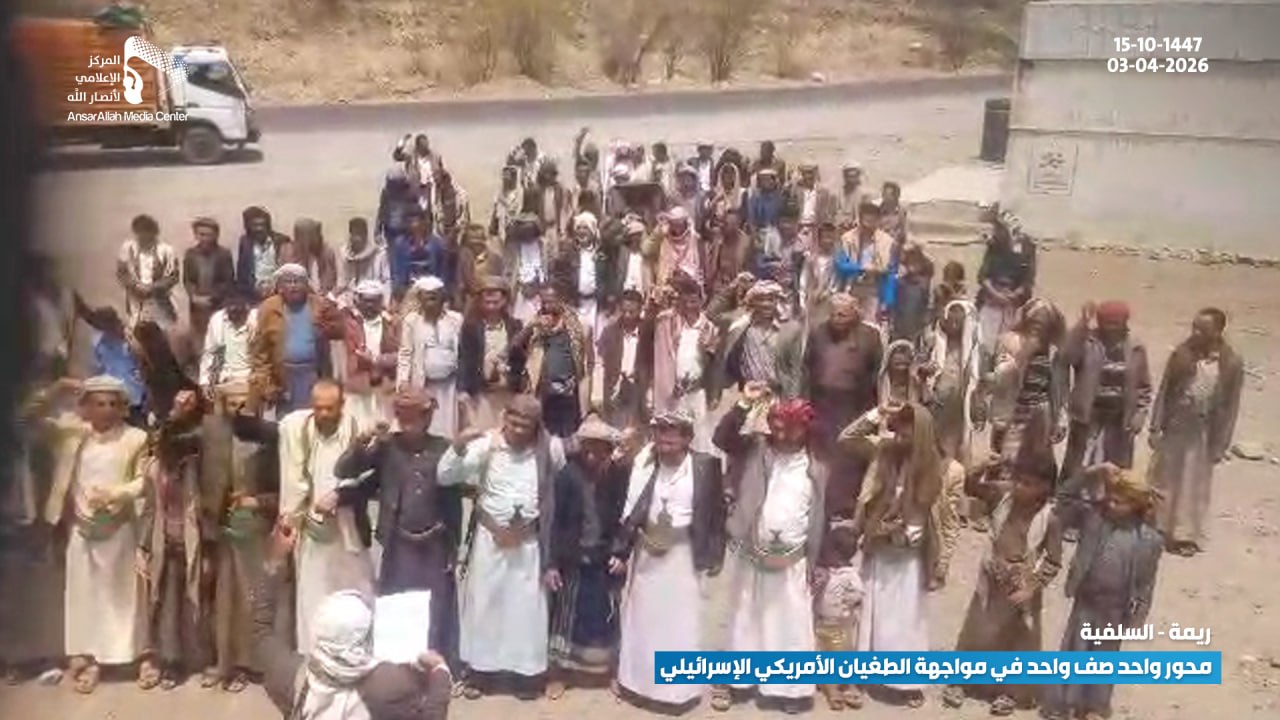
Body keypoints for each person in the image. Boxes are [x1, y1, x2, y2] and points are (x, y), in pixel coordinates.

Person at [241, 525, 453, 720]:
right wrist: (440, 674)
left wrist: (274, 562)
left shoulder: (289, 677)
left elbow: (260, 631)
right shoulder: (392, 685)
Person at [437, 395, 567, 700]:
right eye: (514, 421)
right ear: (505, 417)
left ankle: (525, 675)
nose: (518, 429)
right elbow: (445, 476)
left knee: (525, 609)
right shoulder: (487, 445)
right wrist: (459, 445)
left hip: (528, 543)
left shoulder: (550, 448)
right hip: (490, 540)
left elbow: (556, 482)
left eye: (526, 424)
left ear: (536, 425)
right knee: (486, 604)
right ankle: (482, 673)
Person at [30, 376, 150, 694]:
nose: (106, 410)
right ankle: (91, 659)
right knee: (85, 596)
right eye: (99, 403)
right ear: (85, 406)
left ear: (122, 407)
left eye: (113, 403)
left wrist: (116, 494)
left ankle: (128, 656)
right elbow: (28, 418)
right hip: (80, 527)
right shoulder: (71, 433)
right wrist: (56, 388)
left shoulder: (135, 438)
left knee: (120, 597)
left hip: (118, 525)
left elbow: (144, 480)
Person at [710, 390, 827, 714]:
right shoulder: (755, 448)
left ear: (805, 428)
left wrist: (819, 561)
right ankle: (737, 682)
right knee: (745, 615)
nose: (784, 431)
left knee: (791, 621)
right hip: (752, 550)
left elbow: (821, 516)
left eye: (793, 425)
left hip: (794, 558)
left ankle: (790, 689)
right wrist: (744, 403)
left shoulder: (817, 464)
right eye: (779, 423)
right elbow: (722, 438)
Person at [334, 387, 464, 672]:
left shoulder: (442, 449)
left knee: (438, 605)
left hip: (435, 540)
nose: (409, 424)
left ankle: (440, 667)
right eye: (403, 417)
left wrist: (454, 544)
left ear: (428, 418)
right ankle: (398, 667)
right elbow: (343, 470)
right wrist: (363, 442)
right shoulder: (386, 448)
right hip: (399, 541)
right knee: (397, 604)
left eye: (416, 417)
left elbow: (454, 500)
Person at [613, 409, 725, 710]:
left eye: (672, 437)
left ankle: (677, 694)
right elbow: (631, 510)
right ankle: (637, 684)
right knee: (643, 619)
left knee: (680, 622)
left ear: (687, 438)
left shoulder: (706, 466)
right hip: (648, 553)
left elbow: (717, 513)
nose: (665, 442)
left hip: (684, 554)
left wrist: (715, 554)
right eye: (660, 436)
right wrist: (621, 550)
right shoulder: (644, 464)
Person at [942, 452, 1063, 716]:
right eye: (1018, 479)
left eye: (1028, 483)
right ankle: (961, 681)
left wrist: (1031, 587)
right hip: (992, 575)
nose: (1019, 486)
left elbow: (1053, 561)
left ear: (1045, 487)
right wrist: (983, 466)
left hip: (1022, 583)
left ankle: (1010, 691)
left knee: (1019, 638)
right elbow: (970, 486)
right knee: (978, 629)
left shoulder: (1050, 518)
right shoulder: (1002, 496)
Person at [838, 402, 942, 709]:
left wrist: (940, 561)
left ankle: (906, 683)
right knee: (868, 613)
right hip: (878, 546)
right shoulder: (882, 451)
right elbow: (846, 439)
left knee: (906, 618)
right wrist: (877, 413)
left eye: (908, 433)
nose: (901, 438)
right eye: (899, 431)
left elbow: (938, 516)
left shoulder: (934, 466)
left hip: (910, 555)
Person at [1042, 463, 1162, 720]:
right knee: (1075, 649)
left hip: (1116, 608)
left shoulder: (1149, 540)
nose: (1111, 504)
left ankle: (1094, 707)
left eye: (1120, 502)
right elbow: (1063, 498)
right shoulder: (1095, 518)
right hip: (1087, 598)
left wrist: (1139, 615)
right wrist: (1092, 472)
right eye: (1111, 498)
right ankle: (1063, 704)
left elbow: (1146, 583)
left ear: (1136, 505)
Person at [277, 380, 374, 654]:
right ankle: (314, 656)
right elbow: (295, 480)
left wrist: (341, 496)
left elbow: (367, 478)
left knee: (355, 591)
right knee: (314, 595)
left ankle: (356, 653)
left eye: (329, 408)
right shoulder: (300, 430)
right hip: (314, 528)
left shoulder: (357, 428)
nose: (322, 414)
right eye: (317, 408)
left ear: (341, 406)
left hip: (349, 527)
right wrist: (291, 519)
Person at [1147, 307, 1244, 556]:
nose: (1196, 333)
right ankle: (1158, 527)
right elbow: (1165, 391)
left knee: (1194, 484)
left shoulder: (1230, 363)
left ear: (1217, 332)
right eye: (1195, 327)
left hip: (1203, 431)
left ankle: (1185, 535)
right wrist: (1156, 425)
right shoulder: (1182, 355)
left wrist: (1221, 442)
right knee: (1164, 478)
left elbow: (1230, 406)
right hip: (1177, 424)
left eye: (1203, 329)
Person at [545, 415, 629, 699]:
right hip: (572, 559)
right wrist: (552, 564)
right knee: (565, 618)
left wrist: (621, 552)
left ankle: (609, 673)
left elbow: (624, 519)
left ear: (609, 449)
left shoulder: (618, 477)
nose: (593, 454)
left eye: (600, 448)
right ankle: (559, 674)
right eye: (588, 447)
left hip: (604, 559)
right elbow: (556, 522)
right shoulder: (567, 476)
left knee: (606, 615)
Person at [202, 380, 277, 693]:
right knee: (223, 599)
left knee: (250, 599)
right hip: (223, 527)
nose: (237, 410)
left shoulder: (270, 437)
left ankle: (247, 664)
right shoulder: (213, 433)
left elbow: (281, 488)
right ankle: (223, 662)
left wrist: (257, 502)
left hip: (255, 528)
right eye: (231, 403)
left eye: (243, 403)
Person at [137, 389, 213, 690]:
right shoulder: (155, 470)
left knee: (197, 602)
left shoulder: (197, 472)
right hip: (165, 541)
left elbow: (205, 512)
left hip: (193, 543)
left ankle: (202, 658)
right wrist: (143, 546)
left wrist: (209, 549)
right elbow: (148, 510)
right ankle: (170, 662)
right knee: (167, 603)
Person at [1058, 301, 1153, 486]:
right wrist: (1082, 324)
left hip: (1119, 420)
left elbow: (1143, 386)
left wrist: (1140, 414)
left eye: (1114, 324)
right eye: (1105, 323)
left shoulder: (1135, 348)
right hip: (1089, 417)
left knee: (1115, 471)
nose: (1110, 328)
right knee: (1080, 464)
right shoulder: (1087, 342)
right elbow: (1066, 357)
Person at [247, 264, 346, 415]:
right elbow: (260, 352)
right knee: (287, 424)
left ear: (306, 285)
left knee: (314, 419)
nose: (293, 286)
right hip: (284, 378)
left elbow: (340, 331)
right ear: (280, 287)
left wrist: (327, 324)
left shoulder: (319, 304)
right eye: (288, 282)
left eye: (297, 281)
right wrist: (266, 383)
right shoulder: (269, 308)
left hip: (313, 375)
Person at [989, 298, 1067, 463]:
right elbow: (1001, 379)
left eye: (1043, 323)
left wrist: (1060, 419)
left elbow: (1059, 389)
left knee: (1035, 467)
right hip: (1012, 414)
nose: (1038, 327)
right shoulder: (1009, 342)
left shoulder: (1055, 351)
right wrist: (1023, 355)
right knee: (1006, 463)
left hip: (1040, 417)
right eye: (1034, 321)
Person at [508, 286, 590, 438]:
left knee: (568, 438)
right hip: (542, 393)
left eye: (551, 301)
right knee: (543, 437)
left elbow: (587, 363)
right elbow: (514, 346)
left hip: (568, 393)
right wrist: (532, 326)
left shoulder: (578, 326)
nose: (547, 306)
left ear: (561, 300)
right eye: (544, 302)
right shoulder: (535, 324)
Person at [651, 274, 719, 453]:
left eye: (694, 301)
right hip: (674, 392)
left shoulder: (709, 327)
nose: (690, 306)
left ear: (701, 301)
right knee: (674, 434)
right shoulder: (669, 322)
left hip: (696, 390)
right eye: (686, 302)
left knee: (699, 435)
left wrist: (712, 392)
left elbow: (713, 363)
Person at [712, 279, 805, 405]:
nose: (766, 304)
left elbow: (795, 369)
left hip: (777, 397)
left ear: (777, 301)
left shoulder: (790, 329)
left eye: (770, 299)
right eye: (761, 300)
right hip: (747, 395)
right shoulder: (740, 325)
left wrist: (793, 400)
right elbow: (712, 314)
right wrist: (732, 287)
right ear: (753, 302)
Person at [396, 276, 464, 440]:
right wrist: (403, 380)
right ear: (420, 299)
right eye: (427, 296)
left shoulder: (456, 319)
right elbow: (405, 353)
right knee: (426, 425)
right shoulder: (412, 321)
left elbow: (463, 351)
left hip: (449, 386)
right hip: (423, 384)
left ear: (442, 298)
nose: (431, 301)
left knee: (449, 428)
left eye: (435, 296)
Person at [918, 299, 984, 465]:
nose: (953, 324)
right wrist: (924, 372)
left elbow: (980, 384)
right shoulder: (932, 342)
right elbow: (916, 370)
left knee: (956, 446)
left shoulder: (977, 352)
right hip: (936, 402)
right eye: (950, 319)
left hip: (960, 406)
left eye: (958, 321)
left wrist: (978, 406)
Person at [812, 518, 863, 711]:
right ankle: (830, 688)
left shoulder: (849, 575)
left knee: (843, 654)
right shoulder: (825, 572)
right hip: (821, 621)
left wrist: (847, 603)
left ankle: (846, 686)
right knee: (823, 653)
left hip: (842, 623)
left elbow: (858, 594)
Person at [458, 277, 522, 430]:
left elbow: (520, 359)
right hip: (481, 393)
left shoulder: (515, 326)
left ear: (504, 300)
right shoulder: (471, 327)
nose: (492, 306)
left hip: (506, 391)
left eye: (496, 302)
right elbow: (465, 358)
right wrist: (463, 390)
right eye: (487, 302)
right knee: (482, 433)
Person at [74, 297, 147, 427]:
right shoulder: (99, 343)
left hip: (136, 395)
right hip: (118, 394)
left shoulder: (130, 338)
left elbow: (142, 361)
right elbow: (99, 369)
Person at [976, 210, 1036, 361]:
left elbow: (1028, 280)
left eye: (1000, 228)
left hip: (1014, 304)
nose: (996, 232)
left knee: (1009, 349)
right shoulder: (994, 247)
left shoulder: (1026, 248)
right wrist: (996, 295)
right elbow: (983, 277)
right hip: (992, 301)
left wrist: (1013, 296)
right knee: (983, 344)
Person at [343, 281, 400, 431]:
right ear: (358, 301)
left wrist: (376, 361)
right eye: (366, 301)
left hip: (386, 387)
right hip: (359, 388)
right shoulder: (349, 323)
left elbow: (401, 354)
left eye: (374, 301)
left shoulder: (392, 324)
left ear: (381, 302)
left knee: (386, 429)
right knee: (358, 430)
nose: (370, 305)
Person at [597, 290, 652, 432]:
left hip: (639, 388)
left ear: (640, 310)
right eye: (624, 311)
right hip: (616, 389)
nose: (627, 315)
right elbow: (600, 361)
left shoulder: (649, 332)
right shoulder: (610, 331)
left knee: (637, 432)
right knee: (615, 432)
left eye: (631, 312)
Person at [117, 213, 180, 330]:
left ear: (154, 233)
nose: (142, 236)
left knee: (162, 332)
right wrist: (135, 286)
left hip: (160, 303)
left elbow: (173, 277)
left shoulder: (166, 250)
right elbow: (122, 273)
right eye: (139, 232)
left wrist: (152, 288)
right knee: (136, 331)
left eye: (146, 232)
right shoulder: (128, 248)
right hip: (136, 302)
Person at [835, 200, 895, 321]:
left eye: (871, 222)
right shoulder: (847, 239)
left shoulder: (887, 242)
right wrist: (861, 269)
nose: (867, 227)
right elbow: (840, 264)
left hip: (874, 289)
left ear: (878, 221)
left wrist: (887, 301)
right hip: (851, 287)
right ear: (860, 219)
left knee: (869, 324)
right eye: (865, 222)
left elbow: (890, 272)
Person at [182, 216, 236, 343]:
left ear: (216, 235)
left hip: (218, 305)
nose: (205, 238)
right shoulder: (190, 254)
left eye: (209, 235)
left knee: (218, 339)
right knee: (199, 341)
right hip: (197, 307)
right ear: (195, 235)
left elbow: (228, 281)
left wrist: (211, 298)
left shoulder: (224, 254)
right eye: (201, 234)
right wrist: (194, 296)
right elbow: (187, 279)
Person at [198, 288, 258, 396]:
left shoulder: (257, 318)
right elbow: (210, 353)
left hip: (250, 378)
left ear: (246, 305)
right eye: (230, 305)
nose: (233, 308)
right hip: (225, 378)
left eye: (237, 306)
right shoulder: (217, 319)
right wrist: (205, 381)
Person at [235, 206, 293, 302]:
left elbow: (288, 270)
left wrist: (275, 286)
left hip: (278, 291)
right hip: (253, 294)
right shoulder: (245, 242)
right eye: (255, 225)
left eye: (262, 225)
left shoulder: (281, 240)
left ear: (268, 225)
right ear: (248, 226)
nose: (259, 229)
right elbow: (242, 273)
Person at [390, 208, 447, 301]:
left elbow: (442, 271)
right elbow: (397, 271)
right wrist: (400, 289)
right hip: (408, 289)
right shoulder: (400, 243)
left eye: (417, 221)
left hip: (431, 288)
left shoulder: (436, 243)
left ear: (424, 223)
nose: (414, 225)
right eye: (410, 222)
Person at [336, 218, 391, 309]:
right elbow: (342, 281)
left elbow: (387, 281)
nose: (356, 238)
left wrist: (386, 303)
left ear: (365, 235)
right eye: (354, 234)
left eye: (359, 234)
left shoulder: (379, 254)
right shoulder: (344, 254)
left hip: (373, 298)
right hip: (350, 297)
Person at [889, 242, 933, 344]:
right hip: (902, 312)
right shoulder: (900, 279)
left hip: (915, 310)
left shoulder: (926, 267)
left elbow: (925, 288)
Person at [650, 206, 703, 289]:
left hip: (690, 284)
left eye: (679, 224)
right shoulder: (665, 240)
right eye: (674, 223)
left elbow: (697, 264)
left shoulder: (694, 239)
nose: (676, 227)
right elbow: (650, 252)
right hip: (668, 285)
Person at [291, 219, 339, 298]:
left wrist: (328, 295)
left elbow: (337, 282)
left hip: (328, 296)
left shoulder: (328, 252)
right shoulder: (295, 253)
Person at [878, 181, 908, 245]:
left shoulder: (901, 212)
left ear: (896, 196)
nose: (885, 197)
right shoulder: (877, 211)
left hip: (896, 244)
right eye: (884, 194)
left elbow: (903, 232)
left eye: (889, 195)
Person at [836, 162, 864, 230]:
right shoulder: (839, 193)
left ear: (857, 177)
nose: (851, 180)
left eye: (854, 176)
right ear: (845, 177)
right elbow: (835, 213)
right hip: (840, 227)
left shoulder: (862, 194)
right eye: (849, 176)